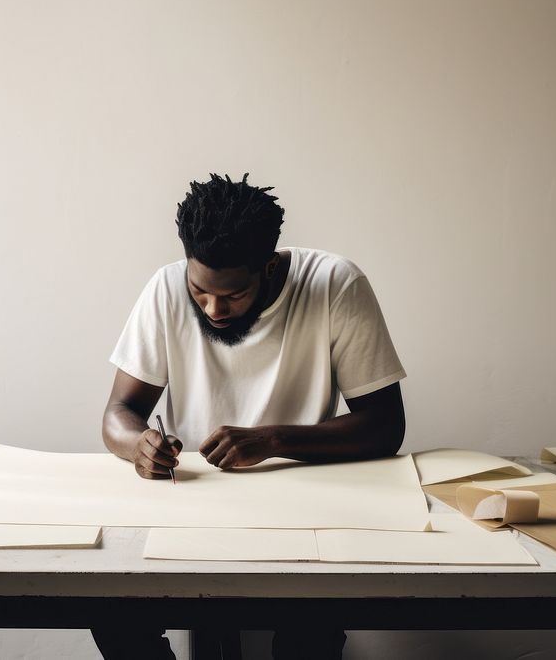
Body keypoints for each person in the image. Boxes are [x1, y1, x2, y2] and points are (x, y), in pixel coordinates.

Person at [93, 173, 406, 660]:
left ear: (268, 266)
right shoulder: (166, 287)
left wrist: (273, 440)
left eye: (234, 295)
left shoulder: (335, 285)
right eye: (200, 292)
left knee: (315, 626)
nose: (214, 309)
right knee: (109, 610)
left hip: (307, 508)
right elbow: (119, 412)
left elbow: (386, 427)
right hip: (188, 505)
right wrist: (139, 446)